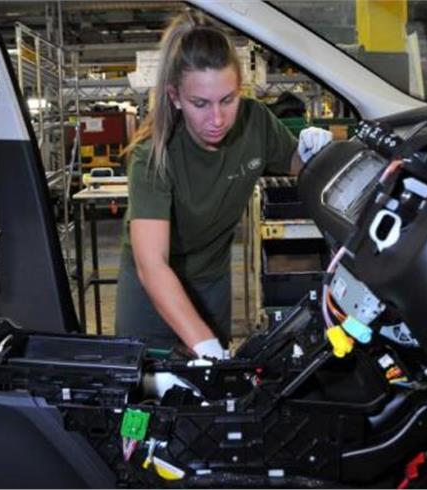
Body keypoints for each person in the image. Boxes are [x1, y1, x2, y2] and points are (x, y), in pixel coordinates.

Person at [115, 11, 332, 359]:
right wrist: (204, 345)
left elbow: (298, 164)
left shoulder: (255, 122)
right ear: (174, 97)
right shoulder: (152, 156)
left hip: (211, 281)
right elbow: (152, 264)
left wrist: (314, 152)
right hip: (150, 292)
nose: (217, 120)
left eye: (227, 100)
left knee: (214, 395)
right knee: (145, 389)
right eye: (200, 104)